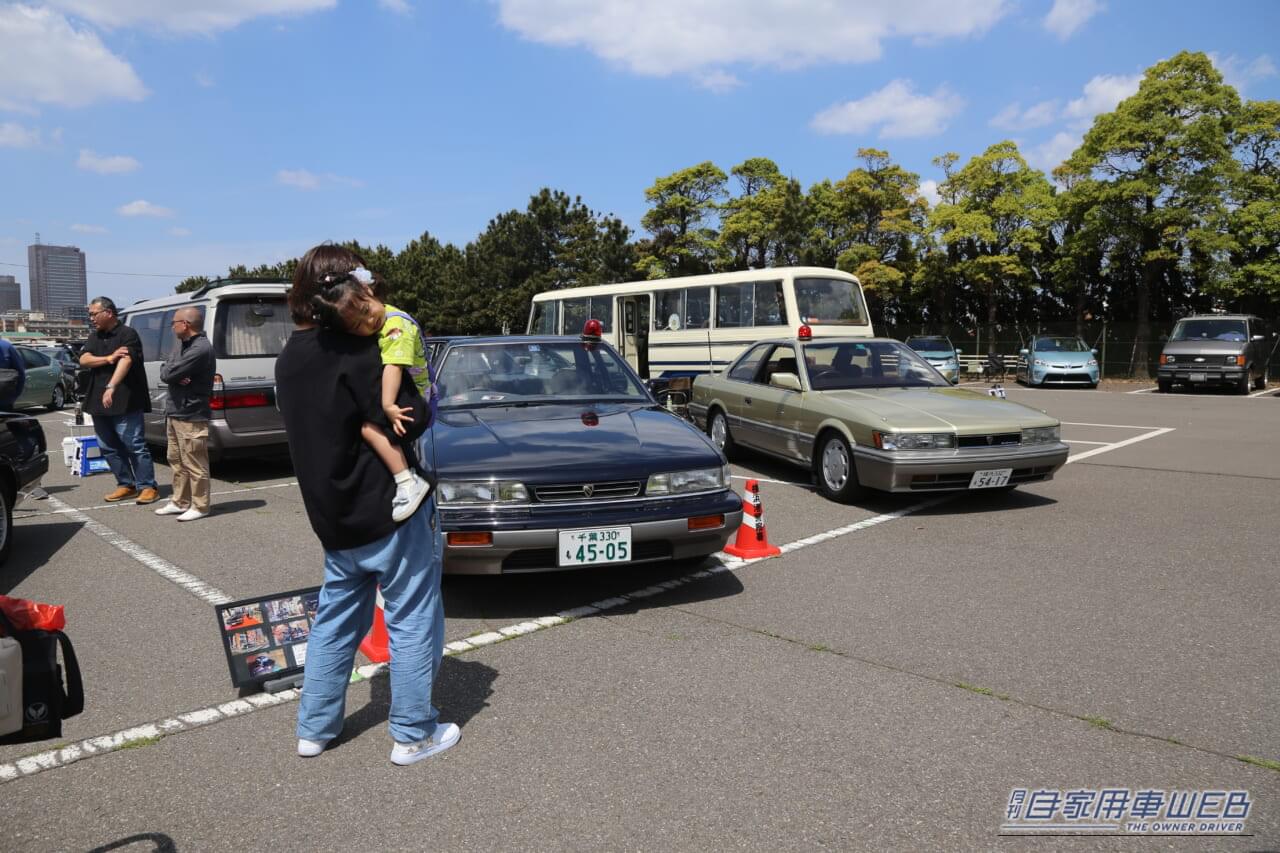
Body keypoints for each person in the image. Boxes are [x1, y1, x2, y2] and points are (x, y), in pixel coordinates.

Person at [275, 244, 457, 766]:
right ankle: (413, 732)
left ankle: (314, 729)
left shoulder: (289, 358)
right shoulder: (356, 352)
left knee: (336, 621)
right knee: (412, 617)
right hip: (389, 507)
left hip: (331, 516)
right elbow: (411, 417)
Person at [319, 270, 433, 523]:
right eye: (358, 325)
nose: (368, 322)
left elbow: (394, 366)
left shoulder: (395, 327)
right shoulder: (385, 318)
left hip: (411, 397)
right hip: (410, 394)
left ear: (369, 292)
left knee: (368, 428)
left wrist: (388, 404)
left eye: (366, 310)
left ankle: (406, 481)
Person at [79, 297, 158, 504]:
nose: (91, 318)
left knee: (134, 444)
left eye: (94, 313)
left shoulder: (127, 334)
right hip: (98, 401)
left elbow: (127, 360)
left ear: (109, 313)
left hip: (125, 399)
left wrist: (111, 386)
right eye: (90, 314)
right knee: (108, 446)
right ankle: (126, 484)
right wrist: (107, 358)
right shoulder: (95, 336)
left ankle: (147, 486)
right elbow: (84, 359)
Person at [153, 307, 216, 522]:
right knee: (176, 459)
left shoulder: (200, 349)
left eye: (174, 322)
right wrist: (174, 372)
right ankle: (180, 501)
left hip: (191, 413)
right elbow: (166, 370)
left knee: (195, 463)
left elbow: (169, 373)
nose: (172, 326)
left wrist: (174, 373)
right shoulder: (181, 344)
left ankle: (200, 506)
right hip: (175, 411)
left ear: (185, 324)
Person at [0, 337, 26, 410]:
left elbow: (21, 373)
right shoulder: (7, 346)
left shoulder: (6, 346)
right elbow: (21, 373)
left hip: (3, 402)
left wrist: (13, 396)